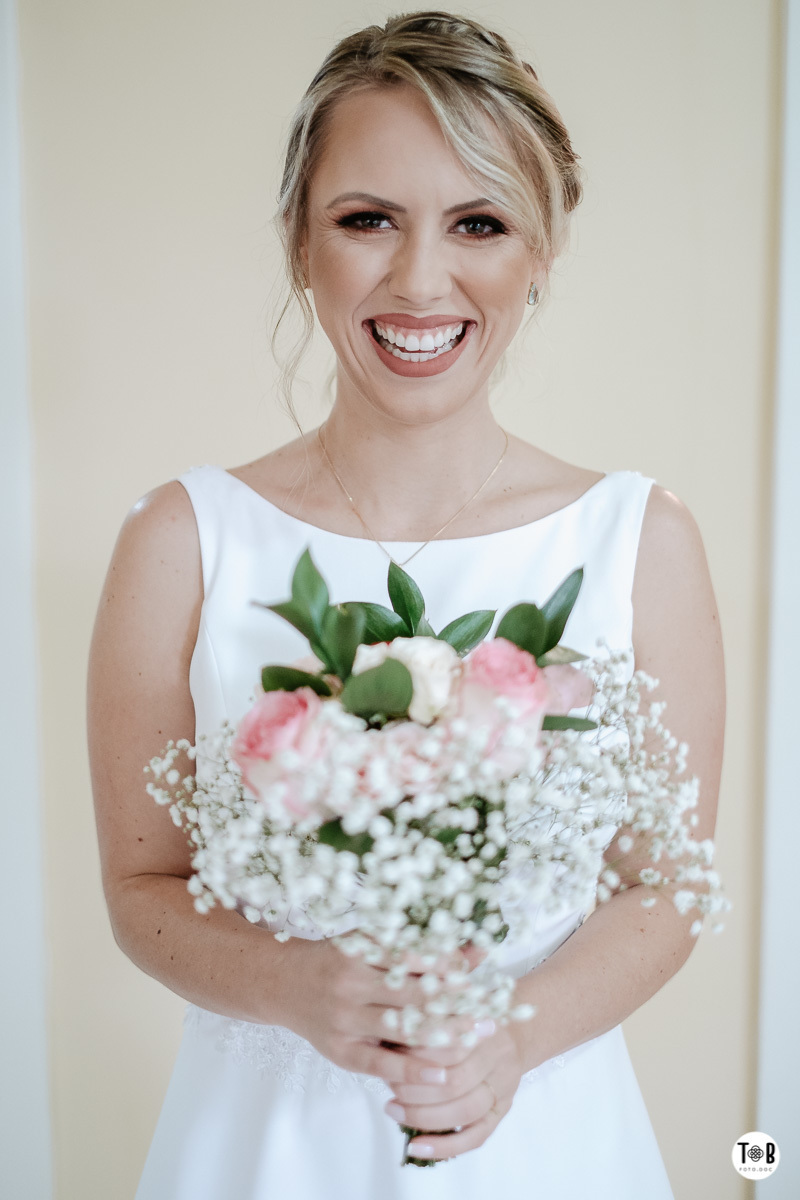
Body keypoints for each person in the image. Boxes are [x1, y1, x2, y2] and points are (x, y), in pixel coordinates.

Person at [88, 12, 725, 1199]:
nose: (420, 279)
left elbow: (663, 888)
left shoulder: (640, 539)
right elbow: (139, 889)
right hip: (259, 1148)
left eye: (477, 223)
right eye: (365, 219)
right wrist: (296, 986)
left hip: (546, 1141)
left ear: (540, 251)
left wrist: (510, 1041)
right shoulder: (180, 539)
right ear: (298, 241)